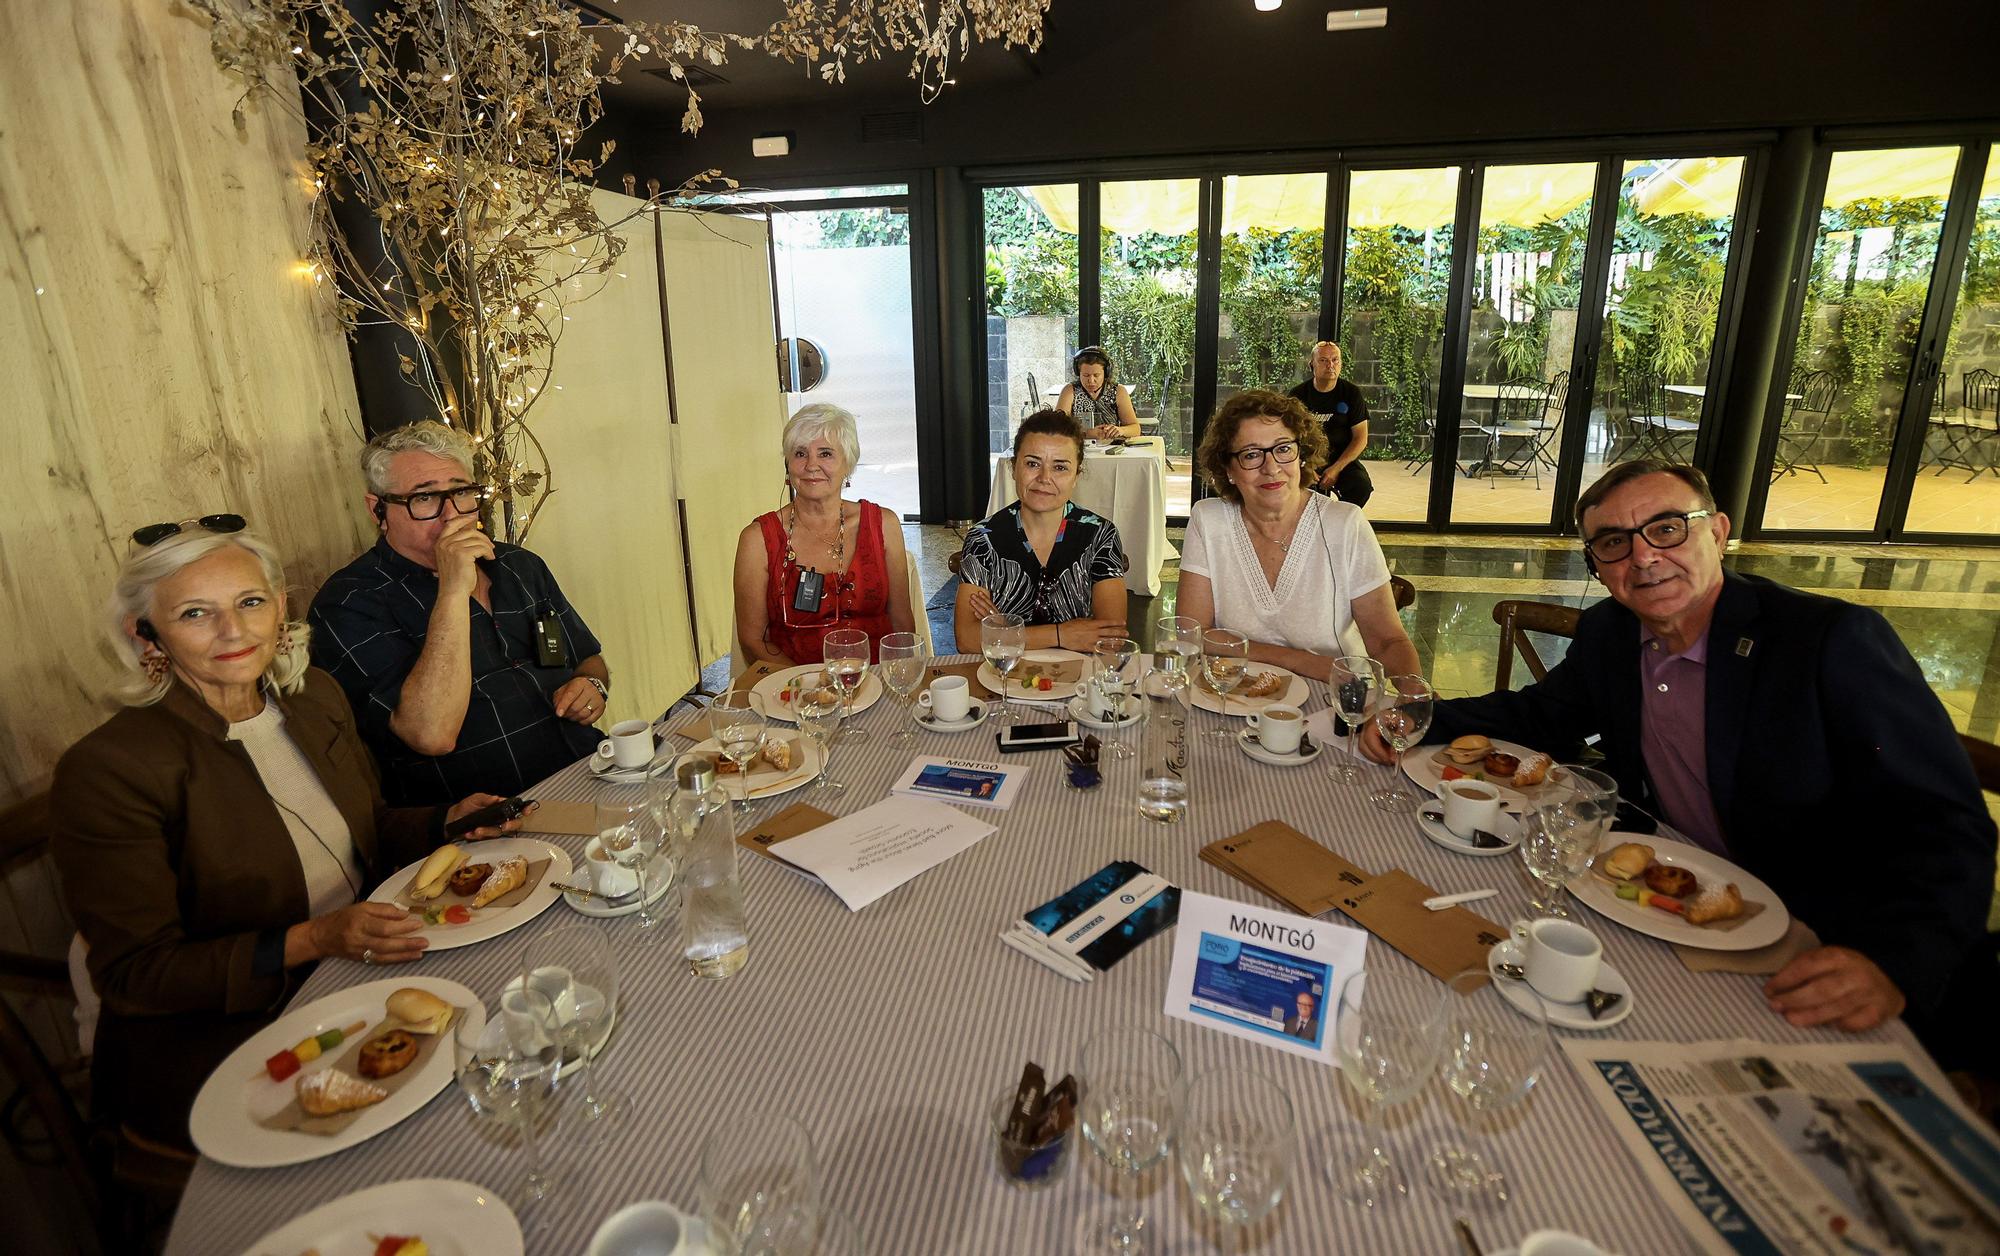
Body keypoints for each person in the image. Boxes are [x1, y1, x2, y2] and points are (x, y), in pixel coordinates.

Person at [1359, 461, 1995, 1038]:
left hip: (1816, 931)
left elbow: (1946, 824)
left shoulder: (1828, 642)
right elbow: (1541, 716)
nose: (1643, 559)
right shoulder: (1613, 629)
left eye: (1666, 529)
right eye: (1614, 544)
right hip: (1661, 902)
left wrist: (1893, 963)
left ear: (1717, 532)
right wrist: (1417, 717)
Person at [53, 519, 528, 1153]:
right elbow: (137, 975)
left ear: (280, 607)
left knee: (521, 1034)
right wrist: (316, 938)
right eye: (196, 613)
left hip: (359, 974)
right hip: (228, 1038)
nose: (233, 630)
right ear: (145, 633)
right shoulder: (111, 768)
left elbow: (362, 833)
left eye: (249, 602)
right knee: (458, 1125)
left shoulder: (309, 699)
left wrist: (444, 820)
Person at [309, 422, 610, 807]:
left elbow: (589, 658)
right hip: (486, 821)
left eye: (462, 492)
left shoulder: (519, 565)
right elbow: (431, 734)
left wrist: (592, 685)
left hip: (589, 772)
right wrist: (452, 589)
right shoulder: (349, 602)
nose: (451, 515)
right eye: (425, 499)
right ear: (378, 509)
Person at [1179, 389, 1420, 683]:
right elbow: (1193, 635)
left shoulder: (1344, 525)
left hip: (1335, 698)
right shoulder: (1209, 521)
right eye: (1251, 455)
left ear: (1301, 456)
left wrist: (1415, 701)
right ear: (1228, 470)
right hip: (1236, 693)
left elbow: (1387, 642)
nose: (1271, 468)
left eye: (1283, 449)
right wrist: (1300, 660)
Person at [734, 403, 914, 666]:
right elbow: (753, 641)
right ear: (788, 466)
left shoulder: (883, 524)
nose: (811, 465)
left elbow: (902, 624)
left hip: (877, 682)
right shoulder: (758, 540)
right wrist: (808, 687)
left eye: (826, 453)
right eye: (800, 453)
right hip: (793, 689)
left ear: (848, 464)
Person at [956, 410, 1130, 652]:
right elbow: (967, 639)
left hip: (1078, 681)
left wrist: (1006, 632)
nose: (1044, 478)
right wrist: (1062, 635)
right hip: (1006, 679)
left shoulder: (1100, 535)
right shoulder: (983, 538)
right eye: (1032, 464)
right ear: (1013, 467)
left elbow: (1111, 636)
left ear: (1076, 476)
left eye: (1060, 467)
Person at [1290, 340, 1374, 508]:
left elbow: (1361, 438)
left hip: (1341, 458)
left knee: (1361, 487)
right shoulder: (1297, 395)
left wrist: (1337, 468)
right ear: (1312, 364)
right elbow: (1287, 436)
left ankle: (1339, 523)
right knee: (1293, 489)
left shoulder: (1351, 393)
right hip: (1307, 458)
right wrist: (1303, 465)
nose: (1330, 365)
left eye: (1335, 360)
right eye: (1323, 360)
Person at [1056, 346, 1141, 441]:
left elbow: (1135, 428)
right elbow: (1057, 428)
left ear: (1106, 373)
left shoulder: (1118, 391)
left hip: (1110, 450)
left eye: (1096, 375)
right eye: (1086, 375)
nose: (1091, 380)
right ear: (1078, 373)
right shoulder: (1069, 391)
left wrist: (1121, 430)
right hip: (1077, 449)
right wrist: (1087, 434)